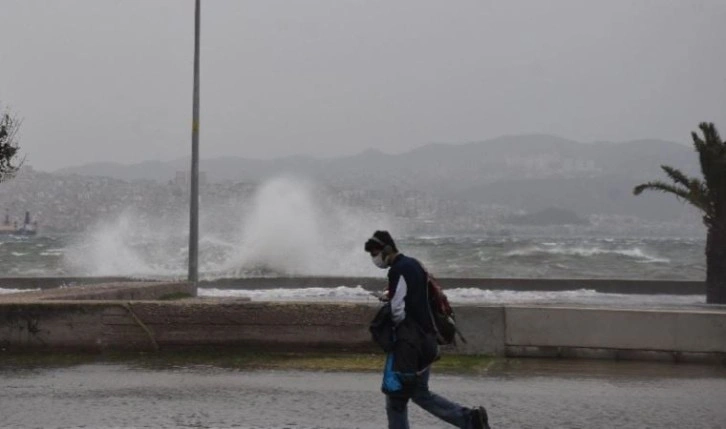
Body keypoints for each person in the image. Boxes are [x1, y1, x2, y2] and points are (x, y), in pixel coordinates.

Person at [365, 230, 491, 429]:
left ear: (387, 249)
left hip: (410, 345)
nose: (374, 258)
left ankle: (469, 419)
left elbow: (398, 309)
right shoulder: (414, 264)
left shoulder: (397, 270)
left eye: (375, 253)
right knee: (418, 393)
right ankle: (470, 419)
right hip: (427, 340)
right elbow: (417, 295)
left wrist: (394, 321)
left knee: (397, 398)